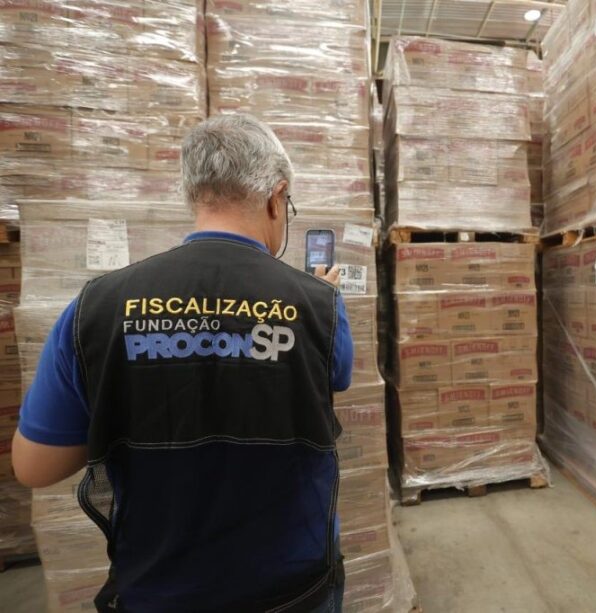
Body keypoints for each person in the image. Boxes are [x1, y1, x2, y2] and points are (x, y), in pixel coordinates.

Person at [12, 114, 352, 612]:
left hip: (158, 588)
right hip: (292, 587)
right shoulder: (319, 305)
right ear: (276, 197)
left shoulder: (98, 306)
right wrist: (316, 299)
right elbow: (333, 377)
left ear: (194, 193)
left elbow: (35, 466)